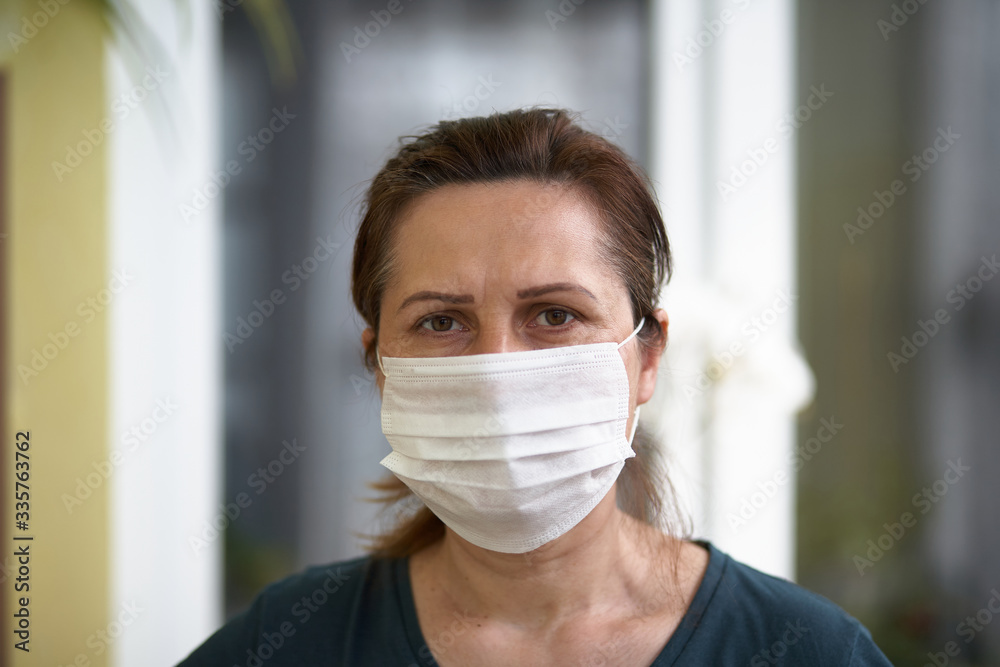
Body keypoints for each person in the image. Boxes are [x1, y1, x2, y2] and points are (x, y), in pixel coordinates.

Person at [178, 108, 892, 666]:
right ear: (380, 366)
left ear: (647, 357)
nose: (497, 370)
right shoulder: (288, 644)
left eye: (555, 314)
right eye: (440, 321)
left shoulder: (809, 652)